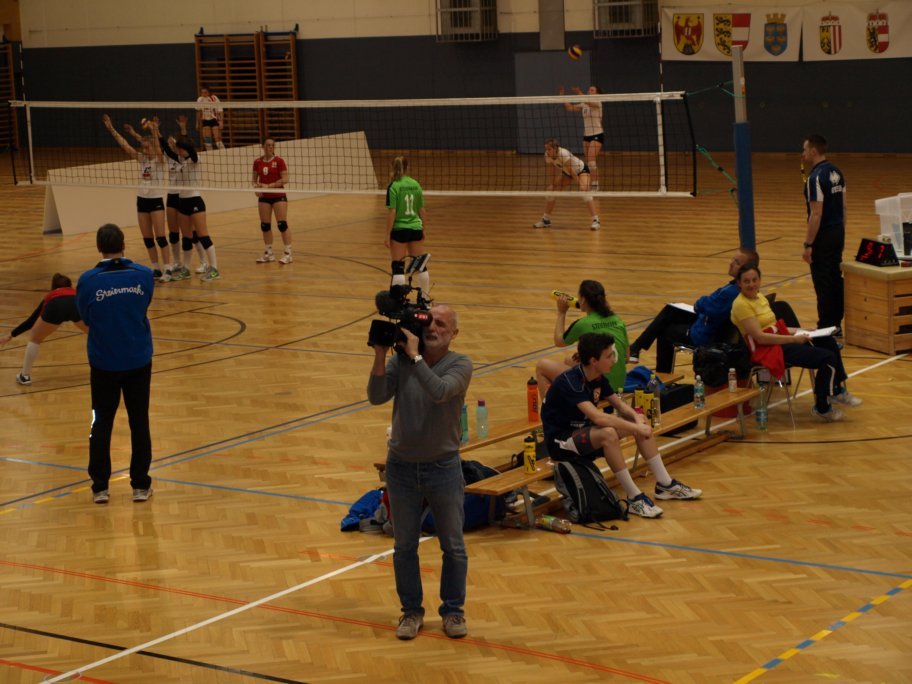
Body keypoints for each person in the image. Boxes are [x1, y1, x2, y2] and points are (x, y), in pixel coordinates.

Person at [367, 304, 472, 641]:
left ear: (454, 333)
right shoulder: (402, 360)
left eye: (441, 324)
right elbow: (376, 396)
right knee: (404, 546)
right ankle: (411, 611)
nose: (433, 329)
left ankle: (453, 611)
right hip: (400, 467)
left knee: (453, 546)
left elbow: (439, 391)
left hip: (443, 467)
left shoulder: (460, 364)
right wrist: (381, 355)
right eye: (429, 322)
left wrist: (414, 357)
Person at [541, 332, 702, 519]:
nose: (613, 360)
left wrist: (636, 418)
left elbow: (620, 405)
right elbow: (598, 418)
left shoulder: (597, 377)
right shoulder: (571, 382)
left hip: (583, 433)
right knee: (608, 433)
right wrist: (636, 428)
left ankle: (665, 484)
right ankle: (634, 498)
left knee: (637, 420)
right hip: (560, 442)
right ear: (594, 361)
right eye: (609, 356)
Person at [75, 224, 155, 504]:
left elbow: (85, 316)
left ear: (99, 247)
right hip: (138, 360)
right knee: (139, 421)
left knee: (100, 423)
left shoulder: (88, 281)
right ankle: (140, 485)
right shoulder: (144, 275)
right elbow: (143, 305)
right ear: (123, 244)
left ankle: (100, 487)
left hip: (104, 363)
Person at [729, 262, 861, 423]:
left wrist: (805, 330)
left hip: (780, 340)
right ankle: (822, 407)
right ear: (739, 283)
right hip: (767, 349)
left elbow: (777, 328)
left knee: (828, 342)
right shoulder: (740, 305)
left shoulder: (760, 297)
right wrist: (794, 339)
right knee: (827, 358)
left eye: (754, 280)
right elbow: (761, 338)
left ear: (760, 280)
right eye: (746, 281)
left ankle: (836, 390)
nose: (751, 284)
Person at [628, 247, 759, 372]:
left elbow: (705, 305)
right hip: (709, 322)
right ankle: (636, 348)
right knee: (670, 311)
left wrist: (701, 302)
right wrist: (704, 303)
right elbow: (709, 305)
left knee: (665, 332)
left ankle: (660, 373)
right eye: (733, 259)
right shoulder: (740, 288)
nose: (731, 263)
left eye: (736, 263)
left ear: (745, 270)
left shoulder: (731, 293)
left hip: (705, 335)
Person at [535, 279, 628, 397]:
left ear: (582, 300)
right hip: (619, 385)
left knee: (542, 366)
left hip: (600, 388)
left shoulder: (582, 324)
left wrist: (562, 313)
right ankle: (574, 399)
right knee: (570, 360)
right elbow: (626, 357)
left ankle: (549, 407)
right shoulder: (617, 319)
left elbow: (559, 341)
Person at [102, 114, 168, 279]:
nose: (144, 150)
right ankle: (155, 268)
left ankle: (167, 268)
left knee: (161, 238)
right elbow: (125, 145)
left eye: (147, 147)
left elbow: (158, 147)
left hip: (156, 200)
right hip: (142, 201)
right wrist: (111, 128)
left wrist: (154, 130)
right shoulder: (142, 159)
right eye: (143, 147)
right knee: (148, 239)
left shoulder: (160, 160)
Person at [1, 273, 88, 385]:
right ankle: (106, 367)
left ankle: (25, 376)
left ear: (53, 287)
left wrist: (11, 335)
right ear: (70, 285)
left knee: (35, 338)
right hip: (75, 305)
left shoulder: (51, 296)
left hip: (56, 307)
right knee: (95, 334)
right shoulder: (77, 294)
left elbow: (31, 321)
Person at [801, 134, 846, 330]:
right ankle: (836, 323)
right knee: (835, 278)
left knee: (823, 282)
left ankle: (826, 326)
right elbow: (844, 208)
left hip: (823, 236)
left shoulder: (815, 178)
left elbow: (816, 213)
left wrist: (808, 244)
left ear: (813, 151)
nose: (803, 153)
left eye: (805, 149)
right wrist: (841, 232)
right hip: (837, 232)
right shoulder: (837, 172)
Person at [164, 133, 221, 281]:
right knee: (187, 238)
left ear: (186, 148)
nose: (178, 151)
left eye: (181, 149)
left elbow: (192, 154)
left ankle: (214, 269)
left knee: (203, 236)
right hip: (182, 202)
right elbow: (169, 152)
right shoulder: (180, 160)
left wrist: (180, 144)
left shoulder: (195, 159)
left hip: (195, 201)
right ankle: (186, 269)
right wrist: (160, 136)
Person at [386, 156, 430, 301]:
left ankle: (399, 301)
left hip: (400, 229)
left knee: (398, 266)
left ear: (393, 167)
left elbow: (392, 212)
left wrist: (387, 234)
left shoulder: (393, 186)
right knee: (421, 265)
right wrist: (423, 228)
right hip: (416, 227)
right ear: (407, 167)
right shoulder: (415, 184)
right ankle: (424, 299)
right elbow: (422, 209)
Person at [532, 138, 600, 231]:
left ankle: (596, 220)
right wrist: (552, 184)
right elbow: (552, 170)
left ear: (555, 148)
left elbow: (572, 171)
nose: (547, 151)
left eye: (549, 149)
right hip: (567, 173)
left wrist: (580, 184)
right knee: (551, 191)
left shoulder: (563, 154)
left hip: (581, 170)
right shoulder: (547, 156)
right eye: (546, 149)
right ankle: (546, 220)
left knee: (584, 191)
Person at [253, 138, 293, 264]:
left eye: (272, 145)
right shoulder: (257, 162)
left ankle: (288, 253)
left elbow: (285, 179)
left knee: (282, 224)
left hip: (278, 195)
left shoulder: (279, 161)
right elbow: (254, 180)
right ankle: (269, 253)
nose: (270, 147)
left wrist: (269, 186)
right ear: (263, 146)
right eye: (267, 145)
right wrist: (256, 188)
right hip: (264, 197)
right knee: (265, 226)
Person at [560, 85, 603, 189]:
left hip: (597, 134)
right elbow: (570, 107)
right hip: (586, 136)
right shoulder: (584, 104)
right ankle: (589, 182)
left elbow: (588, 101)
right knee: (588, 161)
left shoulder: (598, 102)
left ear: (597, 94)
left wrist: (579, 92)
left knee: (591, 160)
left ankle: (595, 184)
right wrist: (562, 96)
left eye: (592, 90)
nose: (589, 91)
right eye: (589, 90)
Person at [196, 86, 225, 150]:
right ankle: (209, 153)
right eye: (202, 93)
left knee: (217, 138)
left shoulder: (214, 98)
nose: (204, 94)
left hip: (214, 120)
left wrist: (221, 122)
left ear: (209, 92)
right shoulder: (200, 99)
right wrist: (197, 123)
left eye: (205, 92)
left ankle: (223, 152)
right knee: (207, 139)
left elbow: (220, 110)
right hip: (205, 120)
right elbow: (198, 112)